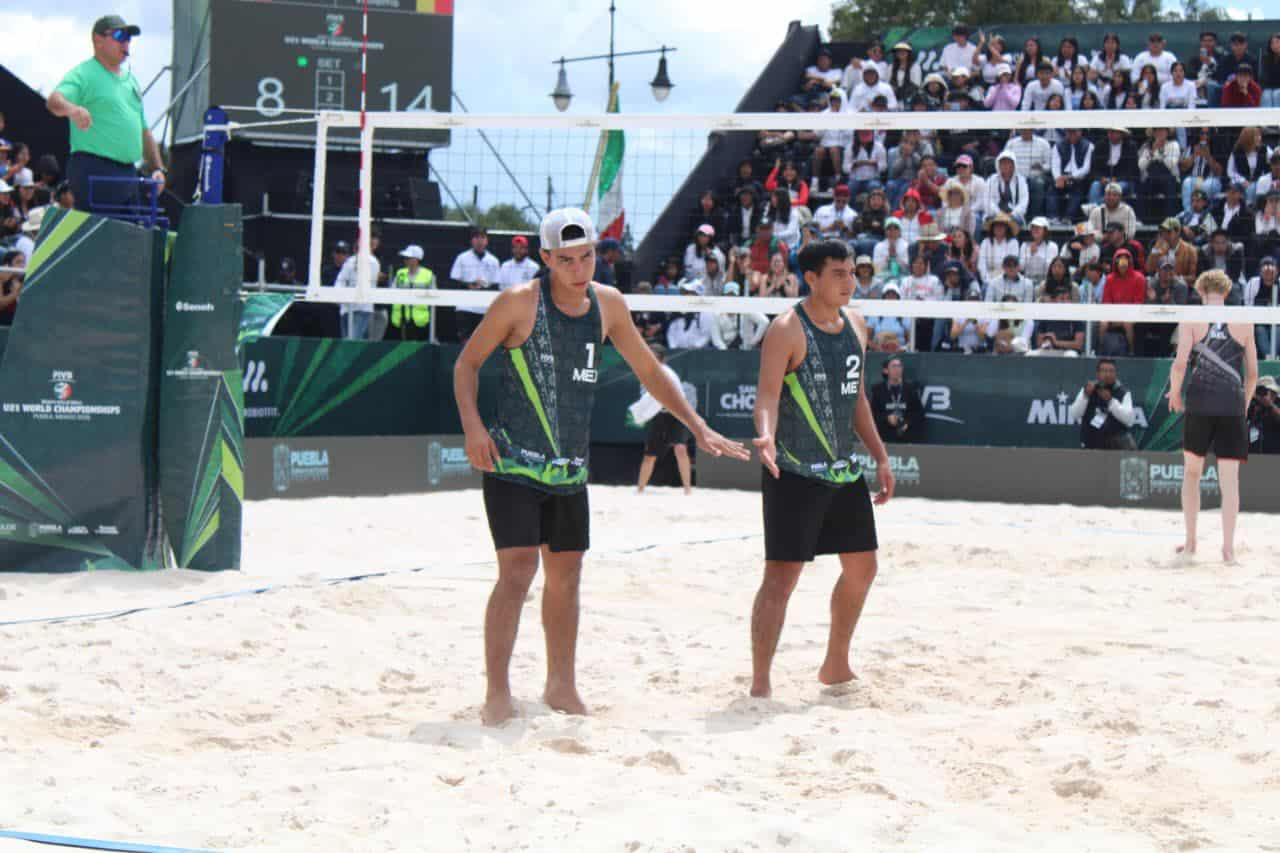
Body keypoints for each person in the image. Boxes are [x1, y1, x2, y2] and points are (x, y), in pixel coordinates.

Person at [453, 208, 748, 725]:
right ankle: (497, 691)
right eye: (566, 260)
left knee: (567, 577)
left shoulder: (607, 305)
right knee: (518, 572)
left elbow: (652, 373)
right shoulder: (517, 303)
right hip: (513, 462)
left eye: (587, 256)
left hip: (569, 470)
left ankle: (560, 685)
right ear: (545, 259)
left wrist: (698, 427)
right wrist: (474, 429)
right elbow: (466, 364)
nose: (579, 268)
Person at [749, 238, 894, 698]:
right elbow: (768, 396)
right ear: (811, 278)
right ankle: (760, 683)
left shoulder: (857, 324)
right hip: (793, 470)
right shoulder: (786, 328)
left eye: (853, 272)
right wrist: (766, 435)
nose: (850, 281)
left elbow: (857, 400)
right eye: (839, 273)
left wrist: (881, 455)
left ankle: (835, 664)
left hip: (841, 469)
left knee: (863, 568)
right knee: (782, 578)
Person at [1168, 270, 1258, 563]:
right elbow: (1254, 374)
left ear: (1201, 291)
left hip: (1201, 404)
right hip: (1230, 405)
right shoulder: (1244, 321)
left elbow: (1180, 365)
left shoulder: (1191, 318)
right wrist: (1243, 403)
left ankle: (1192, 542)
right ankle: (1228, 549)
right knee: (1229, 482)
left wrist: (1175, 393)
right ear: (1227, 291)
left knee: (1192, 473)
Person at [46, 15, 166, 214]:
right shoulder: (84, 73)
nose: (126, 42)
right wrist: (73, 110)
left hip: (128, 173)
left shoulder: (131, 81)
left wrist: (158, 169)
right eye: (120, 35)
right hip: (95, 169)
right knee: (103, 236)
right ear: (98, 40)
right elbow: (53, 101)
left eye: (129, 37)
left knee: (131, 237)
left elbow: (143, 131)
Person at [633, 344, 696, 496]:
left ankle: (687, 489)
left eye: (654, 356)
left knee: (680, 448)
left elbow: (676, 397)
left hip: (678, 413)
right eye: (649, 355)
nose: (650, 358)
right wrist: (641, 413)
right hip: (659, 415)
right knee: (650, 455)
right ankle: (640, 489)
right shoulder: (646, 373)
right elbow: (646, 398)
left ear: (661, 359)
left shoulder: (668, 374)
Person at [1069, 360, 1138, 449]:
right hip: (1091, 441)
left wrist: (1111, 401)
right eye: (1104, 371)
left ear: (1115, 373)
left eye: (1111, 371)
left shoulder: (1123, 392)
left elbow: (1129, 420)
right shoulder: (1088, 390)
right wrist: (1085, 396)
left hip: (1116, 444)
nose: (1107, 374)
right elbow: (1074, 414)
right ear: (1098, 374)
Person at [450, 226, 502, 342]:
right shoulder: (462, 258)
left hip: (485, 309)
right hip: (465, 307)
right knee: (465, 342)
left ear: (487, 240)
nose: (479, 241)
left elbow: (496, 284)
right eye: (476, 237)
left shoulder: (493, 261)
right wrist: (469, 285)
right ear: (471, 240)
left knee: (483, 343)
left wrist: (484, 287)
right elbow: (454, 280)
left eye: (482, 237)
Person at [870, 357, 924, 442]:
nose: (897, 369)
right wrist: (887, 418)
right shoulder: (877, 390)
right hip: (884, 437)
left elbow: (919, 413)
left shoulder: (910, 389)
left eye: (899, 366)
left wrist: (907, 423)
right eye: (894, 366)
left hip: (907, 436)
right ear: (886, 370)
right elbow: (872, 414)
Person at [388, 244, 434, 341]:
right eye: (405, 258)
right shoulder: (400, 273)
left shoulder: (428, 275)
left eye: (408, 258)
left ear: (416, 259)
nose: (405, 260)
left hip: (420, 321)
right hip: (401, 320)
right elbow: (392, 292)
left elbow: (435, 297)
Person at [1247, 375, 1280, 453]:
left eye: (1270, 392)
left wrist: (1270, 405)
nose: (1266, 395)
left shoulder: (1277, 403)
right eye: (1262, 391)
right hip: (1254, 453)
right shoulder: (1253, 404)